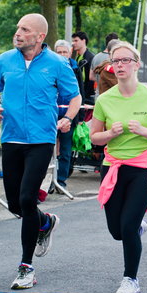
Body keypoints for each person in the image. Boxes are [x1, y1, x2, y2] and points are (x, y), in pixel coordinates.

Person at [0, 13, 81, 290]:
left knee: (28, 198)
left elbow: (74, 97)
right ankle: (46, 221)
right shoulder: (5, 60)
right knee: (16, 205)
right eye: (17, 27)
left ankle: (26, 267)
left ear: (40, 37)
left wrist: (67, 118)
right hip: (12, 139)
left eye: (25, 29)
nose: (18, 33)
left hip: (41, 140)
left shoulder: (58, 63)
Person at [90, 41, 147, 293]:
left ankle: (130, 279)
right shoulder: (104, 99)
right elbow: (94, 137)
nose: (121, 65)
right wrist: (109, 133)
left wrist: (144, 131)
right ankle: (136, 226)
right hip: (113, 167)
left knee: (127, 227)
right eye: (116, 61)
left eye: (126, 60)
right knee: (117, 231)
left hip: (142, 169)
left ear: (136, 64)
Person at [53, 39, 84, 189]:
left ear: (70, 53)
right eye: (59, 52)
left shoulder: (75, 68)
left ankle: (61, 181)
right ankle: (46, 182)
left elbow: (80, 93)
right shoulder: (50, 67)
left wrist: (80, 117)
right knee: (47, 150)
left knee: (65, 150)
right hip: (51, 114)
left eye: (65, 52)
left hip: (69, 115)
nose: (62, 55)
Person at [72, 31, 95, 108]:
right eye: (73, 41)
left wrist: (85, 97)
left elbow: (91, 79)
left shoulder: (90, 58)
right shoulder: (77, 57)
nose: (73, 43)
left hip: (87, 99)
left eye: (76, 40)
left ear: (83, 41)